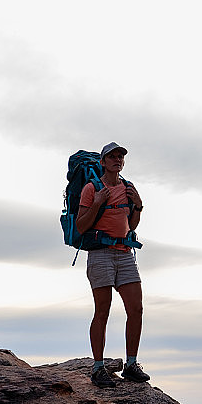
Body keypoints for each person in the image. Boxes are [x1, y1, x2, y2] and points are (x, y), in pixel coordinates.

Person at [76, 142, 150, 388]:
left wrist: (138, 205)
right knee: (102, 312)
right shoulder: (91, 188)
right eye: (113, 156)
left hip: (125, 253)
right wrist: (97, 202)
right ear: (103, 162)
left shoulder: (128, 187)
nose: (117, 160)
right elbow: (81, 226)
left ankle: (131, 364)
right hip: (101, 254)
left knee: (136, 309)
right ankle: (98, 368)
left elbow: (132, 224)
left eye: (121, 157)